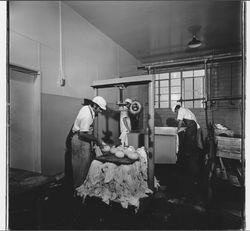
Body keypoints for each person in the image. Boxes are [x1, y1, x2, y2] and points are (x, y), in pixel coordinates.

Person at [65, 96, 107, 191]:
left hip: (82, 139)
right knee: (81, 167)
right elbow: (82, 133)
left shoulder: (87, 108)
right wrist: (96, 140)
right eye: (100, 109)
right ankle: (79, 190)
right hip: (80, 141)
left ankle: (81, 188)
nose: (100, 111)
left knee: (84, 165)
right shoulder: (87, 115)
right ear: (95, 106)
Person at [172, 103, 201, 184]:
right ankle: (190, 156)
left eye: (175, 111)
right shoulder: (185, 109)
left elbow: (180, 122)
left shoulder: (181, 110)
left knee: (190, 142)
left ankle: (190, 158)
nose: (176, 113)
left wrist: (177, 130)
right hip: (193, 126)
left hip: (192, 127)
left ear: (176, 109)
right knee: (190, 142)